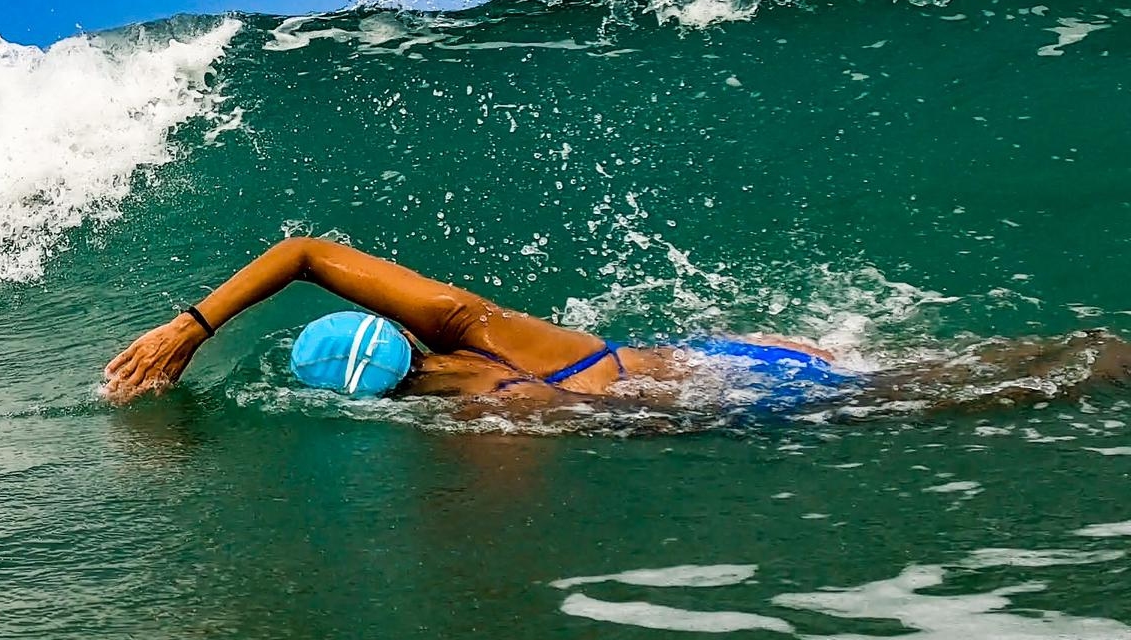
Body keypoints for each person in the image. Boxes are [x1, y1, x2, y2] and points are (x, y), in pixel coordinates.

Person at [103, 235, 855, 407]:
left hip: (746, 408)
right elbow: (304, 251)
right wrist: (190, 325)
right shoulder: (467, 323)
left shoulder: (487, 416)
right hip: (742, 358)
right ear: (397, 333)